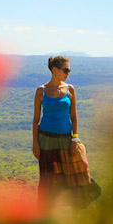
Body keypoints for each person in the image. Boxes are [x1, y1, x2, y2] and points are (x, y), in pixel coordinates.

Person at [32, 55, 92, 209]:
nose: (68, 73)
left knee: (73, 176)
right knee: (48, 178)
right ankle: (46, 213)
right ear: (54, 70)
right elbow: (36, 119)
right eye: (66, 70)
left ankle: (73, 211)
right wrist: (35, 144)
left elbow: (74, 116)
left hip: (66, 139)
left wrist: (75, 139)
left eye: (69, 70)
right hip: (46, 139)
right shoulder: (41, 91)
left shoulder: (70, 89)